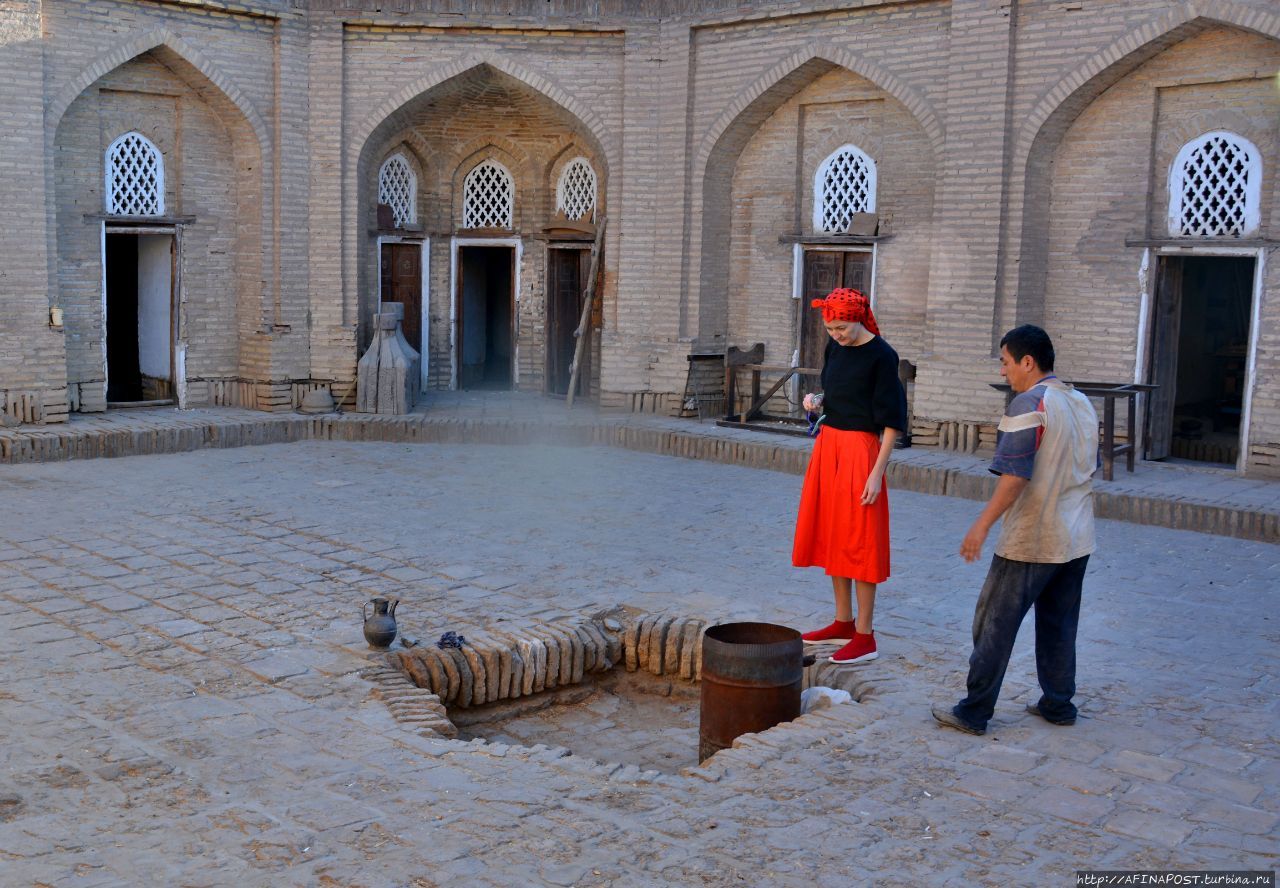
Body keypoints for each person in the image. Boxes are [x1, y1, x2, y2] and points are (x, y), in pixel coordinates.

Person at [932, 324, 1099, 735]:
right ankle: (1058, 704)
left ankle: (974, 711)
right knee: (1059, 623)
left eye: (1006, 363)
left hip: (1033, 535)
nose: (1004, 372)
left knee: (994, 623)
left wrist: (981, 525)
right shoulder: (1080, 401)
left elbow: (1014, 477)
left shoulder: (1030, 403)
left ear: (1028, 362)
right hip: (1077, 534)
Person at [793, 287, 908, 665]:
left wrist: (877, 473)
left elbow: (893, 421)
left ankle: (865, 634)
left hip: (862, 452)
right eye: (830, 329)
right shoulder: (835, 347)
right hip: (829, 446)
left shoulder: (882, 356)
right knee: (832, 533)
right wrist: (818, 403)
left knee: (859, 539)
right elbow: (837, 392)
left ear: (858, 318)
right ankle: (843, 621)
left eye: (841, 327)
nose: (836, 335)